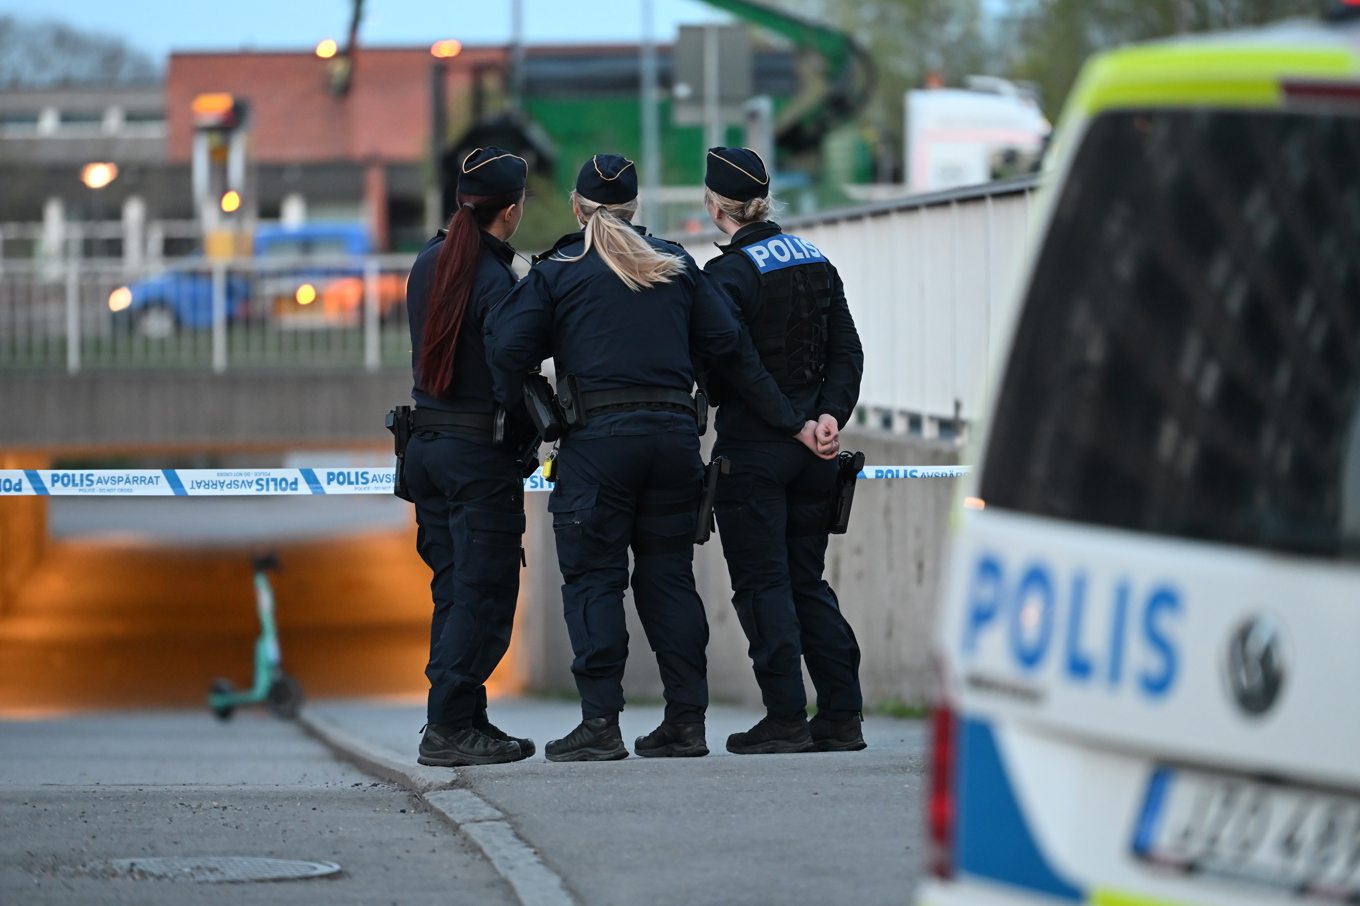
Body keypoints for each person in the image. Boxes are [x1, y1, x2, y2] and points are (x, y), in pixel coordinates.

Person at [485, 153, 827, 762]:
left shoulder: (559, 269)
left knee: (594, 580)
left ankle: (600, 725)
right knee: (669, 579)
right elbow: (727, 343)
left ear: (577, 207)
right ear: (635, 208)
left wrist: (538, 403)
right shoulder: (676, 263)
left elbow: (505, 345)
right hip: (673, 441)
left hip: (599, 446)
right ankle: (685, 723)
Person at [700, 146, 867, 755]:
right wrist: (827, 419)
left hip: (756, 451)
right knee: (806, 582)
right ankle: (842, 715)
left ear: (716, 205)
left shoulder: (726, 275)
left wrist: (792, 423)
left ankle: (785, 718)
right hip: (817, 455)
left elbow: (734, 366)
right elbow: (848, 352)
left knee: (762, 585)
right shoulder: (816, 259)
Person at [404, 147, 537, 766]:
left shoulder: (427, 261)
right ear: (509, 211)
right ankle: (448, 727)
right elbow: (509, 370)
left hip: (427, 448)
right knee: (484, 594)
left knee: (456, 590)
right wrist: (531, 426)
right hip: (477, 454)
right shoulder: (495, 278)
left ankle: (465, 718)